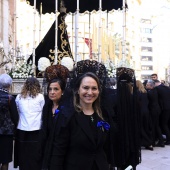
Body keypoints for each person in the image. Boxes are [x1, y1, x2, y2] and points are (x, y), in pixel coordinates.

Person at [48, 72, 110, 170]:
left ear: (98, 91)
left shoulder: (102, 115)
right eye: (85, 88)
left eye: (94, 88)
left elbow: (106, 148)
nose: (90, 92)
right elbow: (58, 151)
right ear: (78, 90)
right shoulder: (67, 116)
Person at [40, 64, 70, 169]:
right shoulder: (47, 107)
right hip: (48, 150)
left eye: (56, 89)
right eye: (50, 89)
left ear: (62, 92)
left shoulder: (67, 109)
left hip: (62, 152)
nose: (52, 92)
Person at [14, 77, 45, 170]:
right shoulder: (40, 97)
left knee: (23, 152)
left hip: (22, 128)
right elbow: (43, 111)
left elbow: (17, 111)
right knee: (35, 153)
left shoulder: (19, 97)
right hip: (36, 128)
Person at [0, 74, 18, 170]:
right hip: (6, 133)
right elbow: (15, 117)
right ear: (9, 85)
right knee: (5, 160)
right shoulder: (10, 98)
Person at [146, 79, 164, 147]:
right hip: (157, 110)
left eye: (147, 85)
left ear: (151, 86)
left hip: (153, 111)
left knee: (153, 126)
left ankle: (153, 141)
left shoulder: (149, 93)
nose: (146, 86)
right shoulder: (155, 91)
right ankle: (161, 141)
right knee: (157, 126)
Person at [136, 80, 153, 150]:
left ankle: (147, 142)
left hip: (140, 112)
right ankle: (149, 143)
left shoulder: (137, 93)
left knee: (140, 127)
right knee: (146, 127)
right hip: (146, 111)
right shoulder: (145, 92)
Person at [155, 80, 170, 145]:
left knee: (163, 124)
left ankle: (168, 140)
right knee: (166, 124)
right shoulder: (167, 88)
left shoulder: (157, 89)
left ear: (155, 84)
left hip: (163, 109)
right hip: (168, 107)